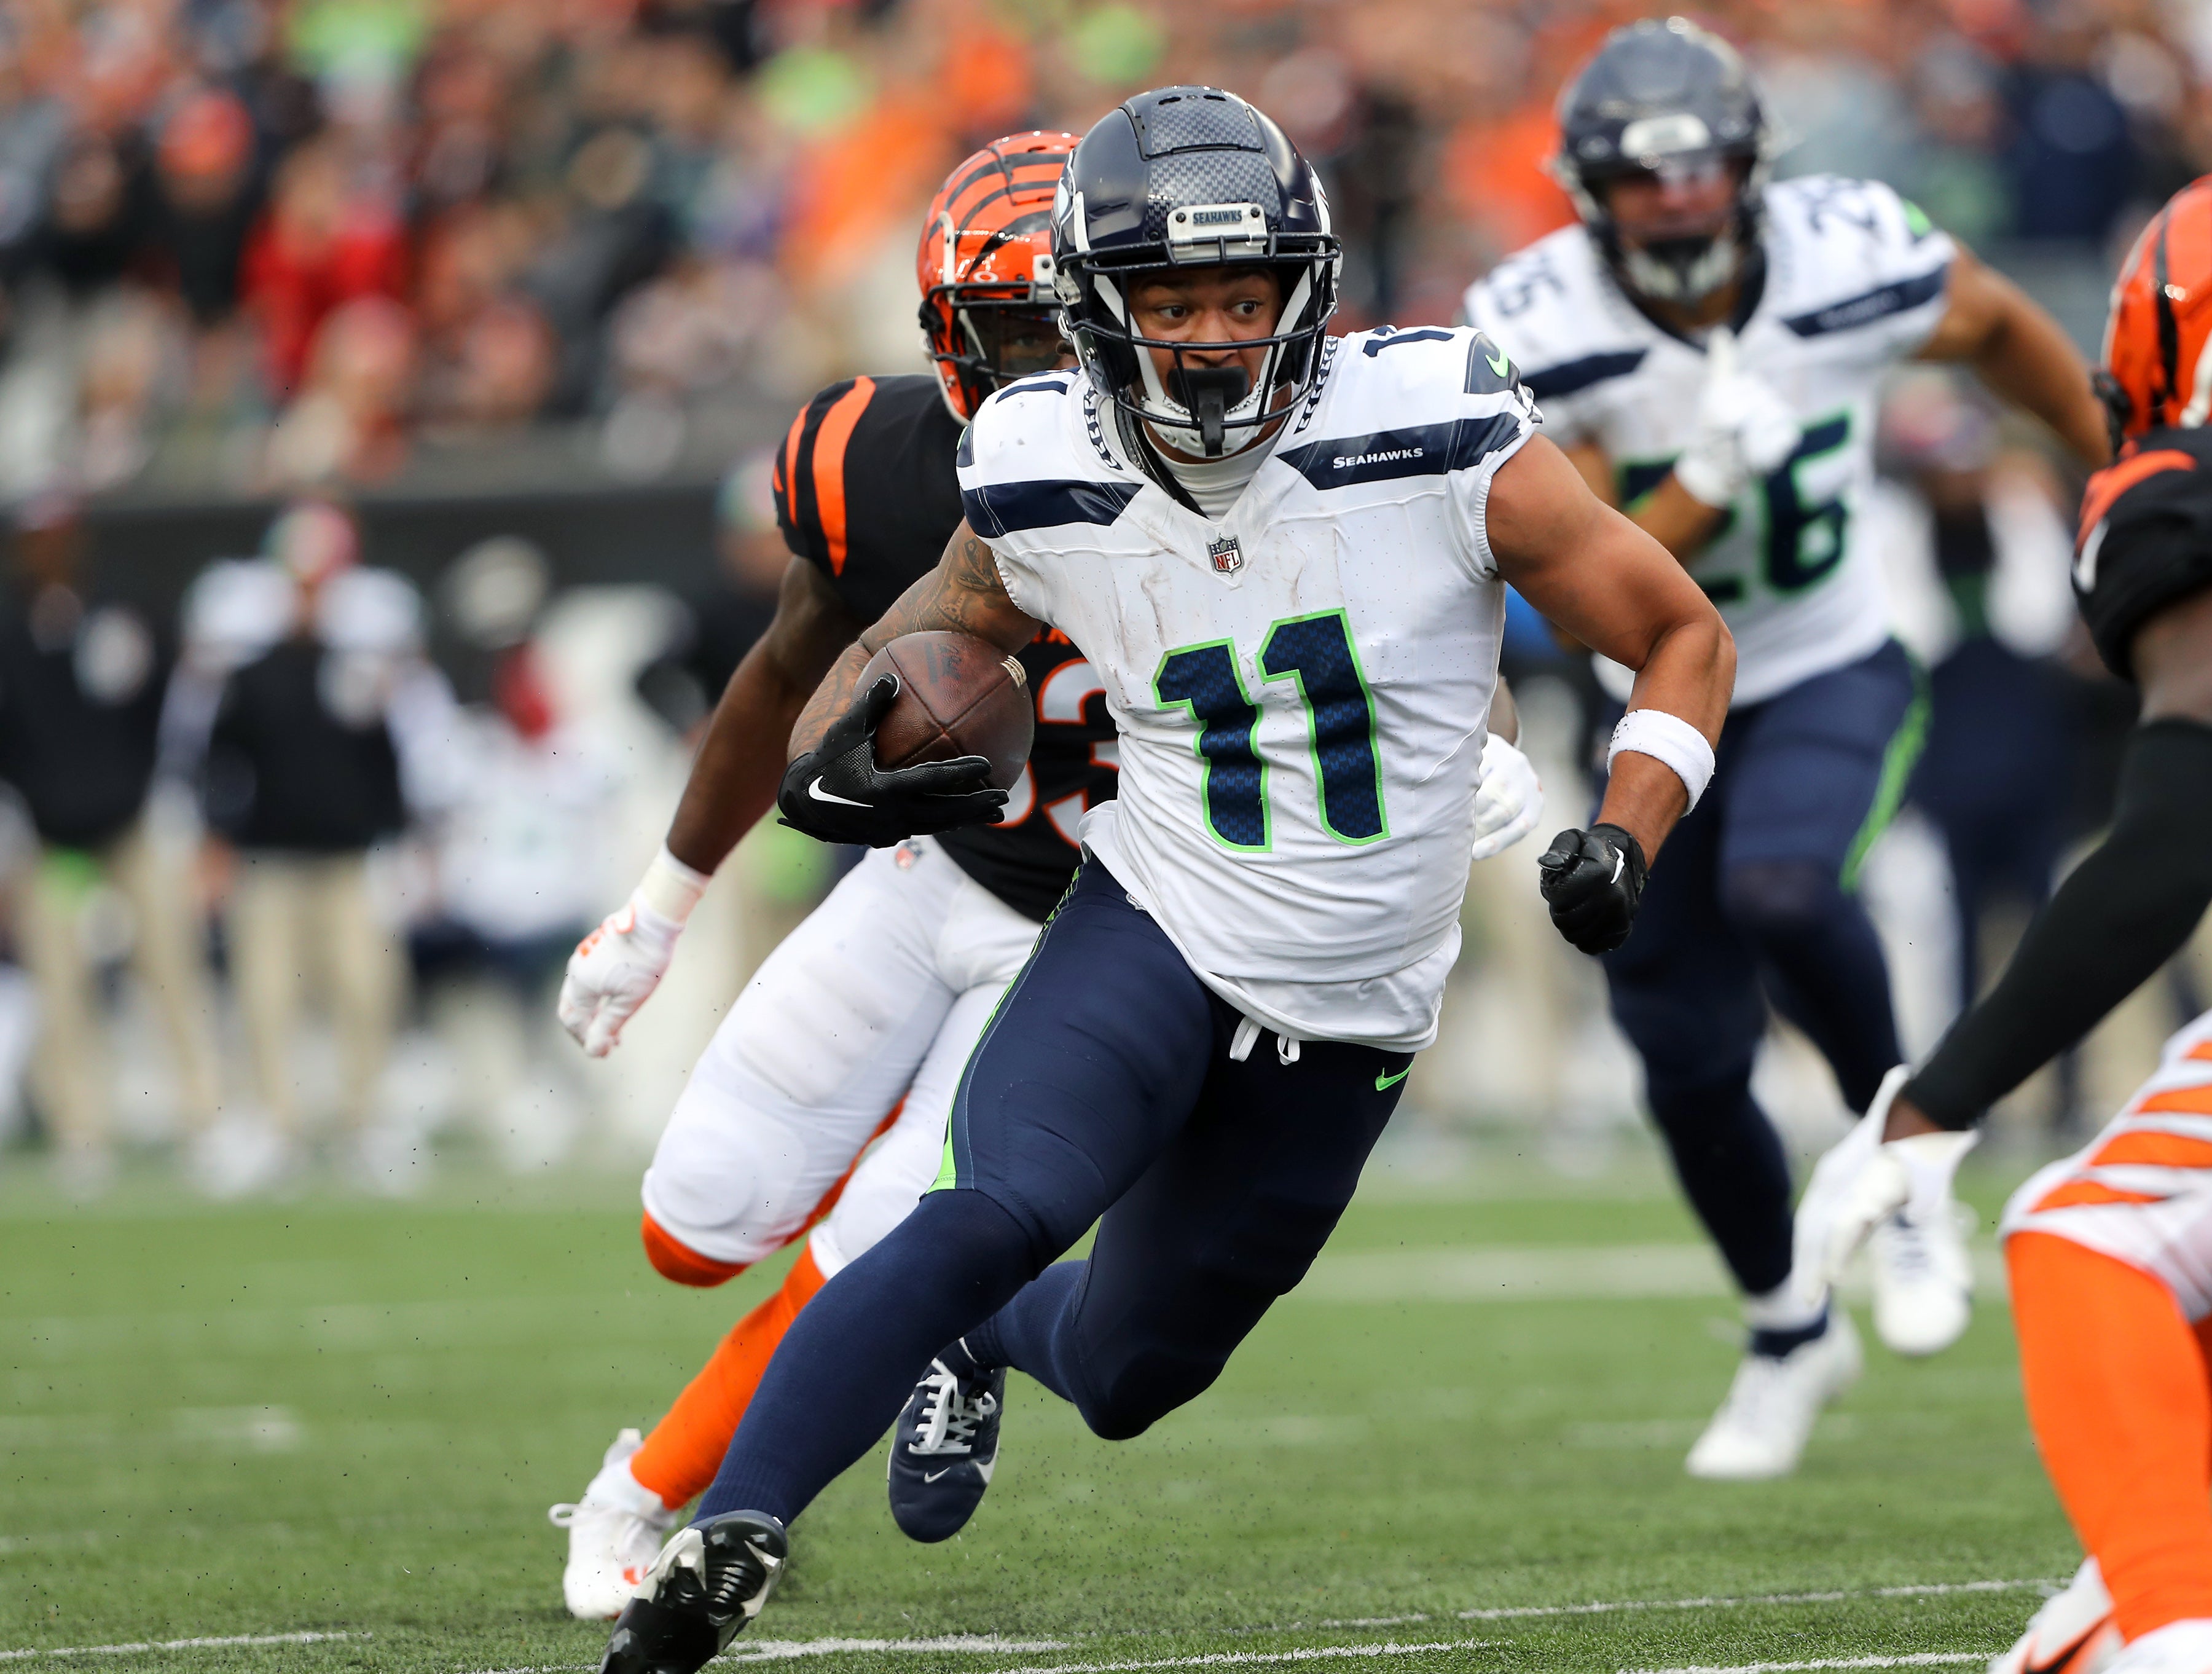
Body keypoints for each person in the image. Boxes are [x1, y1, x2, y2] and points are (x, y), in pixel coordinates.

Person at [598, 85, 1730, 1674]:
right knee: (990, 1206)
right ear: (1096, 313)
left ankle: (987, 1342)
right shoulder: (1037, 460)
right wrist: (840, 748)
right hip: (1152, 923)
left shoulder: (1437, 422)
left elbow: (1681, 629)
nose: (1209, 336)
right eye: (1173, 299)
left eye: (1241, 295)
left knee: (1131, 1373)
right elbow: (917, 638)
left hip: (1350, 1011)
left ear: (1305, 294)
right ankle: (733, 1537)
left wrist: (1629, 824)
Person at [1461, 17, 2110, 1481]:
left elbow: (1998, 322)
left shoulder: (1843, 253)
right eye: (1645, 181)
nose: (1680, 206)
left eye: (1703, 175)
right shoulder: (1537, 319)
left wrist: (2106, 464)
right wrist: (1687, 488)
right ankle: (1784, 1325)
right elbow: (1558, 601)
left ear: (1753, 173)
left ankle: (1910, 1173)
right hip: (1660, 695)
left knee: (1782, 890)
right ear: (1587, 193)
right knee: (1682, 1054)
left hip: (1826, 662)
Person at [1795, 175, 2212, 1674]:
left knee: (2084, 1231)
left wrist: (1933, 1104)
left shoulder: (2170, 480)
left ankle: (2175, 1633)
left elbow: (2174, 831)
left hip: (2034, 786)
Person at [0, 492, 221, 1193]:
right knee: (61, 985)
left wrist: (151, 790)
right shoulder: (11, 627)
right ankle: (82, 1128)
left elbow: (163, 705)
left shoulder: (122, 611)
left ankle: (203, 1118)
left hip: (128, 827)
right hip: (54, 839)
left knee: (172, 969)